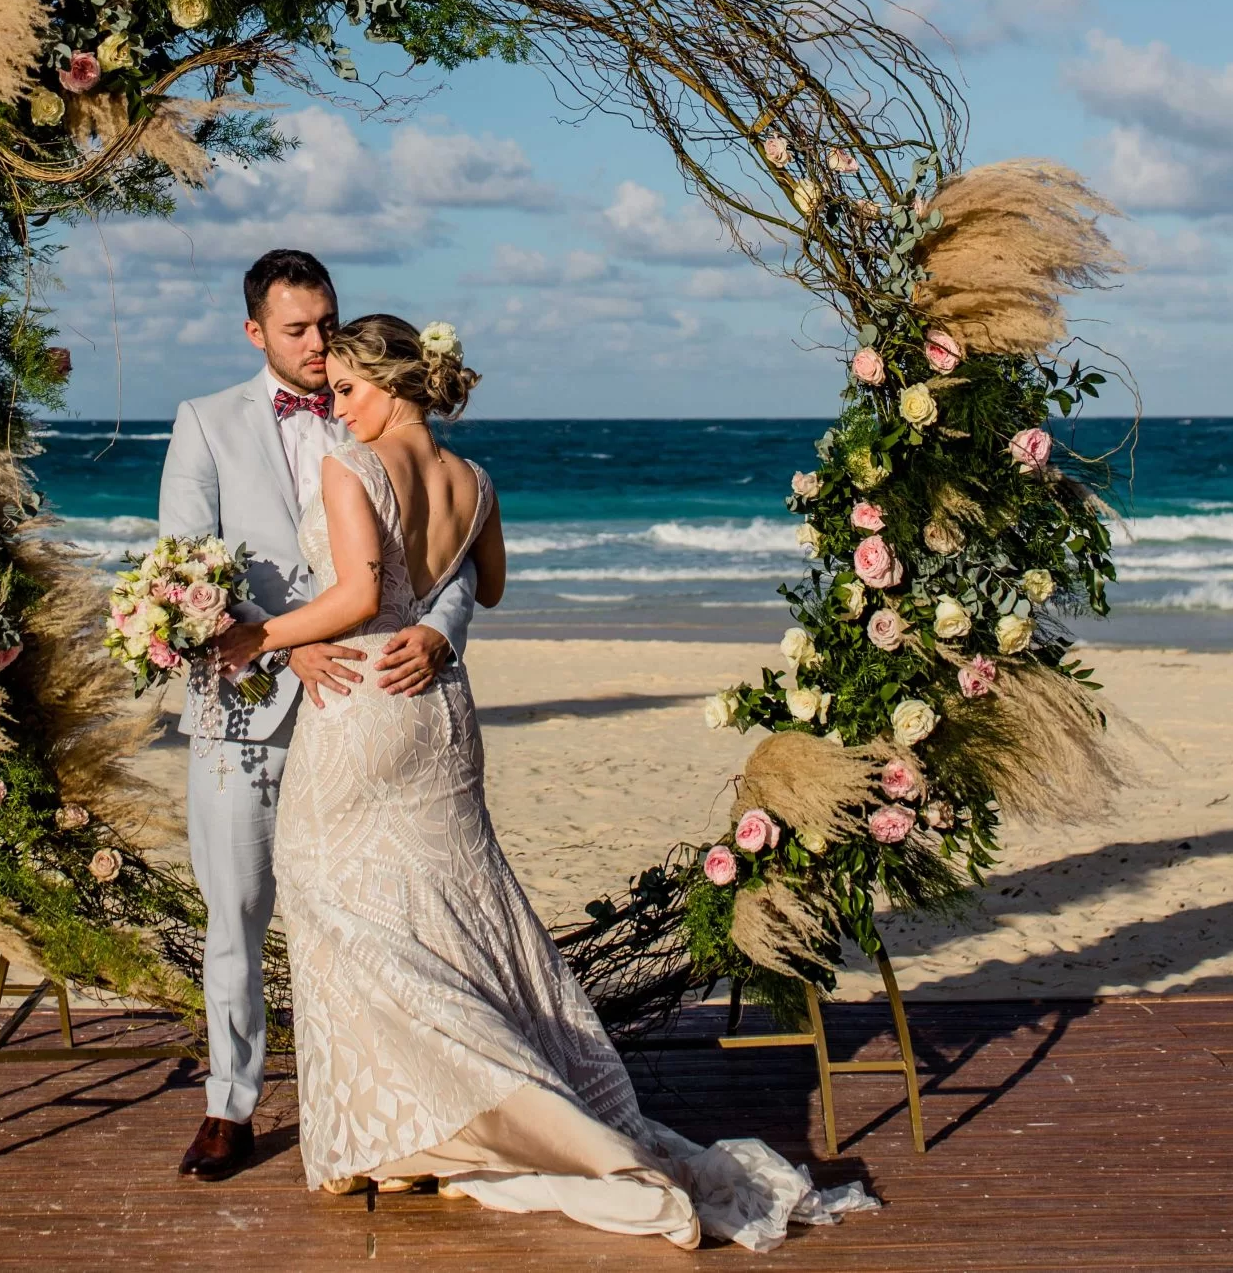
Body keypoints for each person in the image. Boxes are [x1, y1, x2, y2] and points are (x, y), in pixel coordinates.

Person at [213, 315, 873, 1251]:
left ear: (392, 384)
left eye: (351, 389)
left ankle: (466, 1120)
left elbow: (359, 595)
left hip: (362, 703)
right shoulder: (475, 481)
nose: (340, 407)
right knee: (454, 908)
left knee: (336, 907)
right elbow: (488, 587)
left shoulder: (349, 466)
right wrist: (430, 616)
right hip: (441, 712)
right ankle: (427, 1125)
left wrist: (262, 637)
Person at [156, 251, 481, 1183]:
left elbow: (444, 566)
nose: (315, 345)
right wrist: (277, 637)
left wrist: (442, 634)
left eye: (326, 323)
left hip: (374, 707)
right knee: (240, 909)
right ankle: (230, 1102)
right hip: (249, 702)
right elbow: (182, 563)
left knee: (381, 909)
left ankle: (395, 1102)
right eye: (296, 329)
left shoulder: (373, 424)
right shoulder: (205, 424)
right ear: (254, 330)